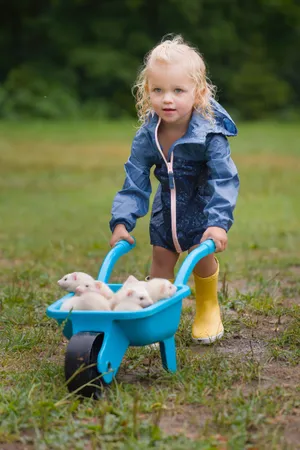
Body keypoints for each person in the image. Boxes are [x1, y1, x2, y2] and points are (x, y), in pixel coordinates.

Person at [109, 35, 239, 344]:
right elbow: (135, 179)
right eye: (158, 90)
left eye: (178, 90)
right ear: (147, 92)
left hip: (201, 210)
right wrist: (121, 221)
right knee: (160, 265)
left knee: (201, 257)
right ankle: (156, 316)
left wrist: (218, 223)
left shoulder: (210, 136)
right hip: (164, 213)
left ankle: (207, 305)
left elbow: (224, 179)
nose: (168, 99)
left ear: (199, 92)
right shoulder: (147, 136)